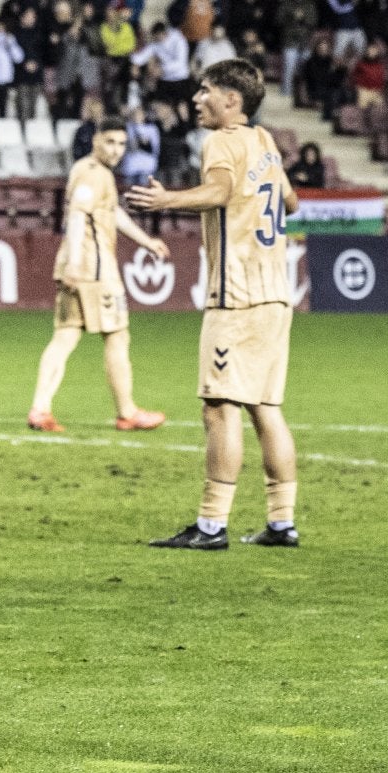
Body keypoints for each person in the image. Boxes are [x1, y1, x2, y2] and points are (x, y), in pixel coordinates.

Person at [127, 58, 301, 550]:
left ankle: (210, 526)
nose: (196, 99)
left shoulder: (222, 141)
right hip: (276, 295)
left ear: (232, 100)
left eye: (205, 91)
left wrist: (167, 202)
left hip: (238, 296)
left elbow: (222, 190)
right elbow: (290, 203)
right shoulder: (265, 141)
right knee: (267, 408)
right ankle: (282, 521)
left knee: (219, 406)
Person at [28, 118, 171, 434]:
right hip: (94, 270)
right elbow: (78, 215)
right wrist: (76, 263)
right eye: (110, 142)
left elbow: (110, 212)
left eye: (121, 144)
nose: (116, 150)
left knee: (65, 336)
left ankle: (40, 408)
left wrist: (145, 241)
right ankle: (127, 412)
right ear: (95, 140)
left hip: (79, 266)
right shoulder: (93, 173)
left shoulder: (92, 172)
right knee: (117, 335)